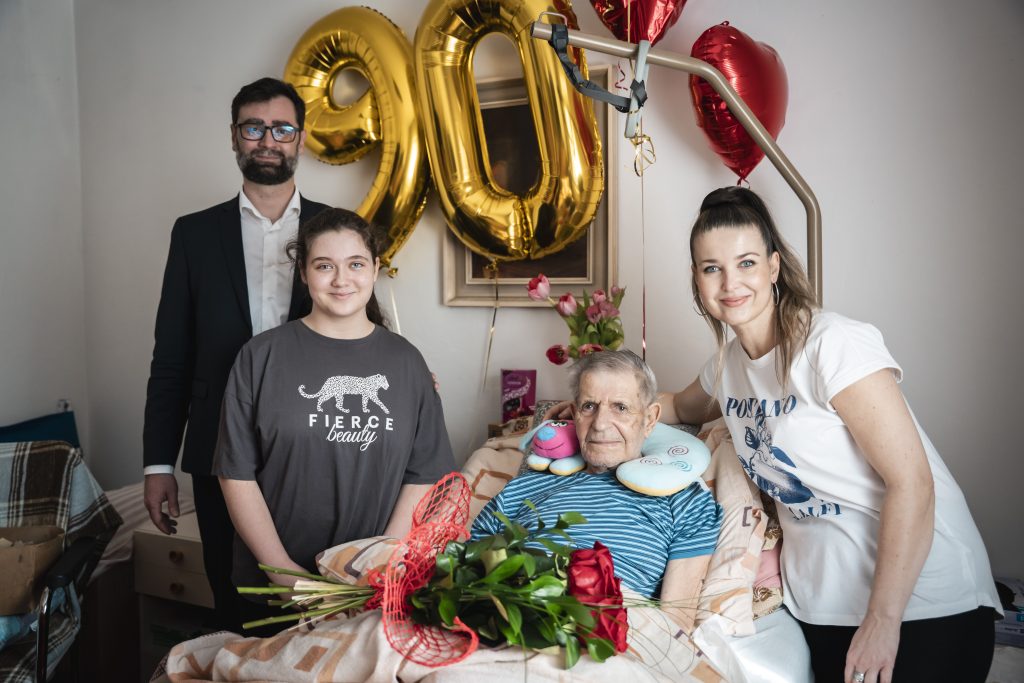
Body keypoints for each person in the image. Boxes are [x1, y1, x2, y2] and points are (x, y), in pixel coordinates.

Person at [662, 186, 1000, 683]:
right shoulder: (726, 367)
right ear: (697, 278)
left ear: (774, 267)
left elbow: (912, 483)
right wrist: (590, 406)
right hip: (820, 608)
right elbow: (674, 405)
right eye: (712, 268)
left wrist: (882, 621)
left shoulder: (831, 344)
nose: (730, 282)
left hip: (921, 603)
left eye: (747, 263)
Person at [142, 77, 330, 628]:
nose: (268, 140)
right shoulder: (194, 234)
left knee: (317, 596)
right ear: (234, 137)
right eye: (254, 128)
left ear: (301, 139)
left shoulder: (335, 228)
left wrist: (407, 371)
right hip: (216, 441)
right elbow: (171, 358)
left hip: (314, 442)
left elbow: (362, 328)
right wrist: (158, 463)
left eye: (282, 128)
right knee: (234, 601)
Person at [213, 207, 456, 630]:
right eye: (325, 266)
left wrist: (379, 565)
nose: (341, 280)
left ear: (375, 269)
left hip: (374, 590)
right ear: (304, 274)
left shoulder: (407, 362)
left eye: (356, 264)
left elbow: (424, 475)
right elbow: (235, 473)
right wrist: (286, 577)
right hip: (275, 591)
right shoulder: (259, 356)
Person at [472, 350, 722, 633]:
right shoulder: (523, 487)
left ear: (650, 419)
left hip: (604, 633)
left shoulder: (685, 499)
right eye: (589, 406)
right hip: (507, 620)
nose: (600, 424)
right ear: (574, 413)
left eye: (621, 407)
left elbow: (675, 623)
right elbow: (468, 576)